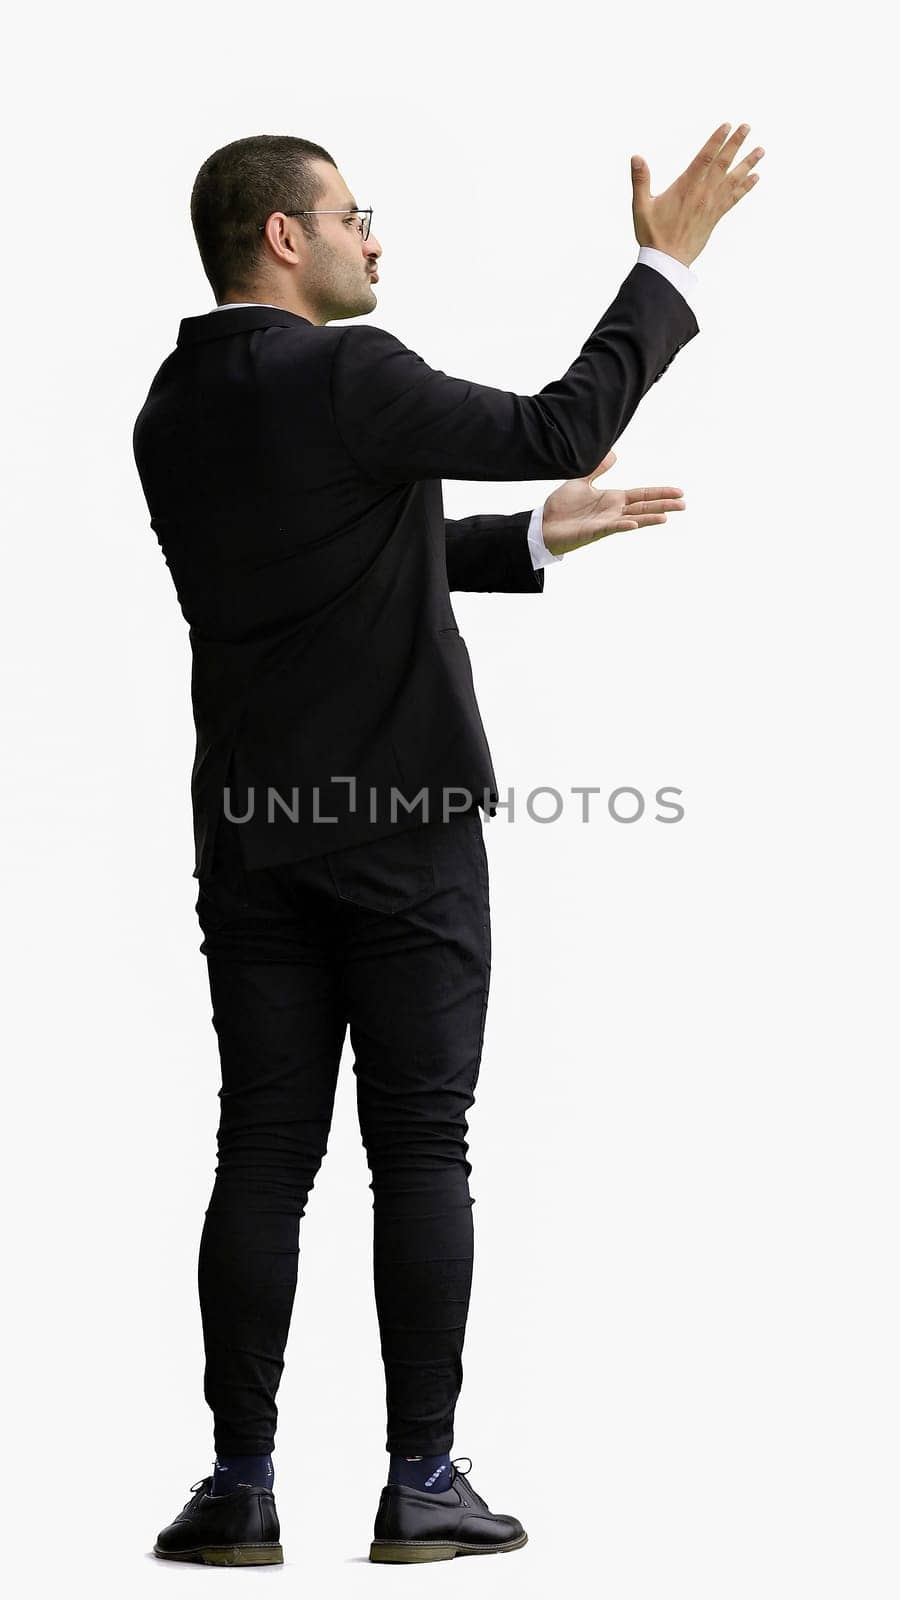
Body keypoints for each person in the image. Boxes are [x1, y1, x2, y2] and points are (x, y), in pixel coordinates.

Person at [132, 122, 763, 1566]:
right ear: (284, 237)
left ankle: (238, 1489)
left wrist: (531, 539)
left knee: (264, 1151)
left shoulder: (172, 405)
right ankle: (424, 1482)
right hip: (402, 834)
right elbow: (555, 417)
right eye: (354, 214)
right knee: (420, 1144)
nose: (374, 236)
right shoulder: (355, 373)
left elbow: (332, 560)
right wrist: (669, 256)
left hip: (250, 833)